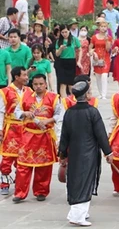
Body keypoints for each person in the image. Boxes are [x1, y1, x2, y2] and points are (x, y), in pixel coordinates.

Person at [59, 80, 113, 226]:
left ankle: (77, 212)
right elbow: (101, 134)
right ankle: (78, 216)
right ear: (86, 94)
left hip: (74, 152)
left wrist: (62, 154)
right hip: (88, 152)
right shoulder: (92, 112)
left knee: (75, 180)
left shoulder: (69, 113)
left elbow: (64, 136)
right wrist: (108, 152)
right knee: (85, 181)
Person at [12, 74, 63, 203]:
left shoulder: (54, 98)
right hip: (28, 135)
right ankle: (20, 193)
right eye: (35, 84)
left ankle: (41, 191)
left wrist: (49, 120)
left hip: (45, 135)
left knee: (43, 166)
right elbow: (16, 112)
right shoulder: (25, 96)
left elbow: (59, 115)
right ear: (32, 85)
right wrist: (24, 113)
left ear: (46, 84)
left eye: (41, 84)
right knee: (23, 165)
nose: (38, 87)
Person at [0, 67, 30, 195]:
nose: (26, 77)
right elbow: (1, 111)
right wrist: (0, 129)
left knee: (23, 158)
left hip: (25, 128)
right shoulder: (5, 92)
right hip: (11, 128)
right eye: (24, 75)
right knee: (7, 158)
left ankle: (20, 182)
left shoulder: (28, 91)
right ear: (17, 77)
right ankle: (4, 183)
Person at [56, 25, 81, 98]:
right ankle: (64, 101)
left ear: (69, 31)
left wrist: (78, 60)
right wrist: (61, 49)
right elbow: (57, 54)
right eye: (62, 32)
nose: (64, 34)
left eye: (66, 32)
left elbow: (80, 49)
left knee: (71, 83)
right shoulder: (59, 41)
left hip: (71, 61)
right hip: (62, 62)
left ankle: (73, 99)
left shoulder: (74, 39)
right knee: (63, 83)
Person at [90, 18, 113, 100]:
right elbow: (90, 49)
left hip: (105, 58)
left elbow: (108, 49)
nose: (103, 28)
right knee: (98, 76)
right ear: (99, 27)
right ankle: (100, 93)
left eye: (105, 26)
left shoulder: (109, 37)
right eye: (102, 26)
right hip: (97, 59)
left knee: (104, 75)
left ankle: (104, 94)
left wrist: (107, 41)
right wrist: (94, 53)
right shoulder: (94, 37)